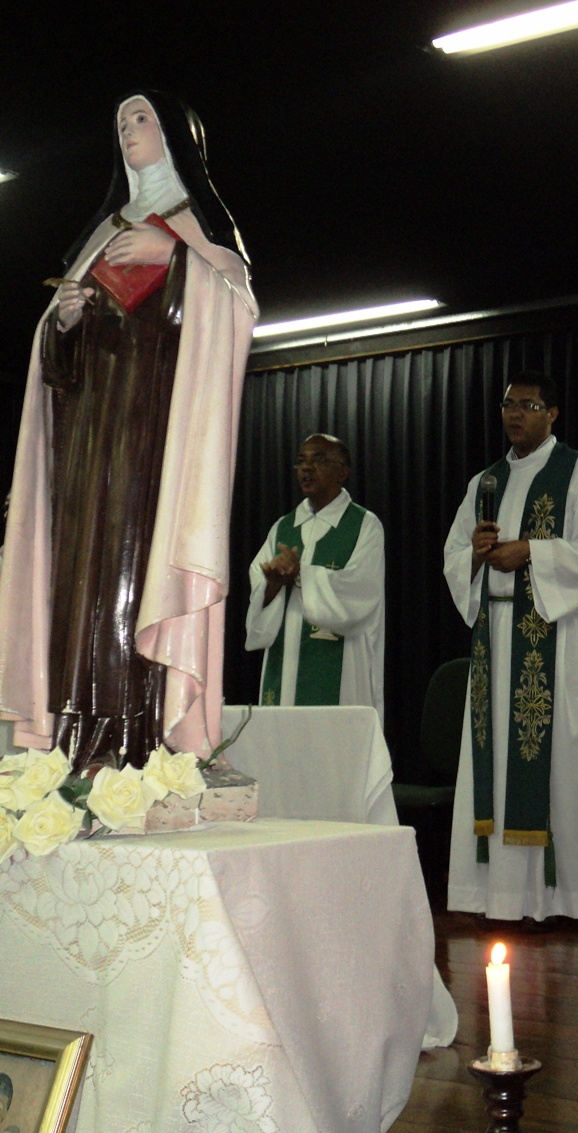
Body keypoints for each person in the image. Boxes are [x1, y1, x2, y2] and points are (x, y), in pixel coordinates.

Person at [0, 92, 257, 769]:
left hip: (153, 435)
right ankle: (76, 733)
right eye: (120, 122)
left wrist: (174, 259)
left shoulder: (196, 227)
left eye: (141, 118)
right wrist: (65, 322)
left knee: (131, 565)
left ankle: (134, 740)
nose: (128, 130)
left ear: (177, 135)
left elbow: (234, 312)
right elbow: (58, 373)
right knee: (78, 573)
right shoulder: (102, 234)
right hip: (90, 439)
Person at [443, 370, 578, 922]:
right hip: (495, 638)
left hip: (556, 635)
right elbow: (453, 555)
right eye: (508, 404)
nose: (514, 414)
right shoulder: (485, 481)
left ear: (552, 414)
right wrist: (475, 554)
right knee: (496, 765)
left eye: (527, 405)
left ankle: (561, 895)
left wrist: (531, 551)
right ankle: (498, 895)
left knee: (558, 770)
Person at [245, 435, 385, 722]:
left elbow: (362, 591)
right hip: (285, 662)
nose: (306, 468)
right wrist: (272, 583)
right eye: (301, 462)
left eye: (318, 460)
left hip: (341, 665)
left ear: (343, 471)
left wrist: (301, 575)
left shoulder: (364, 525)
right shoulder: (283, 527)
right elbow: (259, 587)